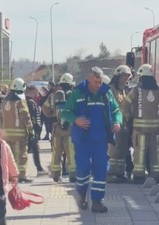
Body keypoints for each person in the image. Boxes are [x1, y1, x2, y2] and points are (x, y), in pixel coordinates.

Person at [61, 67, 122, 213]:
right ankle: (82, 194)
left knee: (101, 169)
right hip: (82, 140)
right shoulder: (77, 93)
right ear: (89, 80)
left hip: (101, 140)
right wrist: (76, 120)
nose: (98, 85)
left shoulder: (106, 93)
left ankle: (97, 201)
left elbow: (116, 110)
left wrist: (118, 122)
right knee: (82, 169)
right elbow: (65, 112)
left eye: (100, 82)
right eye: (95, 82)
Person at [124, 64, 159, 184]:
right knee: (155, 153)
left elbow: (126, 105)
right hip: (156, 130)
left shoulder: (136, 91)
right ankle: (155, 176)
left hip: (140, 129)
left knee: (140, 151)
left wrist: (128, 119)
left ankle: (139, 176)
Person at [42, 73, 77, 183]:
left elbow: (45, 109)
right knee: (71, 152)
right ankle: (73, 175)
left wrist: (53, 114)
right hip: (70, 128)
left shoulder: (53, 96)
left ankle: (56, 175)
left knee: (56, 152)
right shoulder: (75, 95)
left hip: (57, 128)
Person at [0, 78, 34, 183]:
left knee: (9, 155)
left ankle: (10, 175)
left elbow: (0, 116)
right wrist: (31, 130)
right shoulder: (20, 101)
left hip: (6, 134)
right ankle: (21, 176)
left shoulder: (4, 101)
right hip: (19, 134)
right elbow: (25, 116)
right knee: (20, 155)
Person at [106, 65, 133, 183]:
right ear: (118, 76)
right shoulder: (110, 90)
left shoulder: (123, 91)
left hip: (123, 125)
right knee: (114, 150)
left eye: (128, 77)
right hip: (113, 125)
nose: (126, 79)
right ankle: (111, 173)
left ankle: (120, 173)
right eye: (124, 76)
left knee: (122, 150)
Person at [25, 85, 48, 176]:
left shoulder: (29, 101)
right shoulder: (30, 102)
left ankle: (39, 168)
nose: (36, 94)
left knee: (34, 149)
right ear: (31, 91)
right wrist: (35, 129)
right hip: (32, 130)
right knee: (28, 149)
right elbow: (32, 117)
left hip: (33, 130)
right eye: (35, 92)